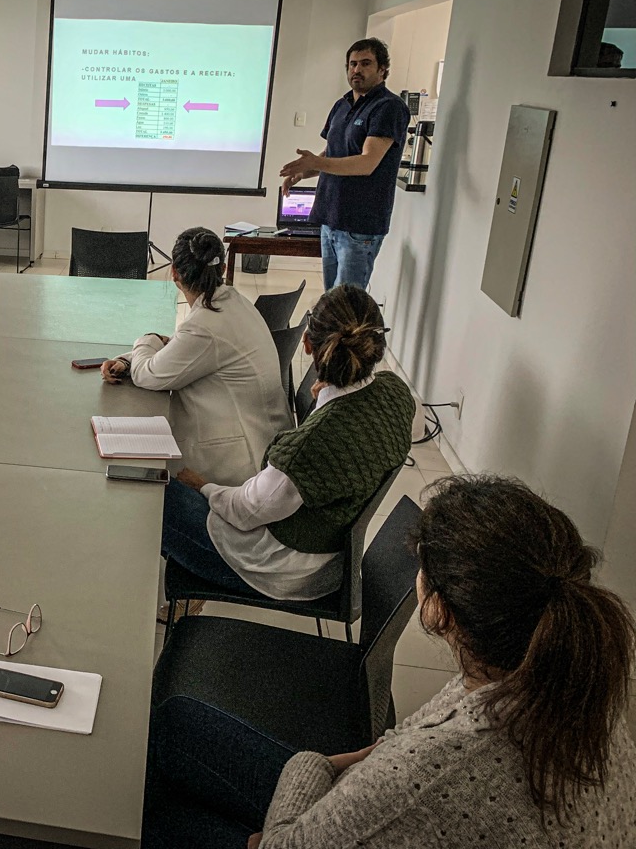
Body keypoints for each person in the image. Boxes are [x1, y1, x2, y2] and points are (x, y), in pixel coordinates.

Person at [143, 474, 636, 847]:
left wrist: (314, 765)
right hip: (374, 796)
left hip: (350, 802)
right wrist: (368, 764)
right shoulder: (579, 682)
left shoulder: (431, 774)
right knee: (174, 722)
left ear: (438, 608)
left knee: (146, 810)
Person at [162, 284, 413, 602]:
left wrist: (203, 487)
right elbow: (346, 442)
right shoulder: (396, 392)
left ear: (307, 344)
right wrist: (327, 399)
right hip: (330, 557)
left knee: (156, 493)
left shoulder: (309, 448)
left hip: (283, 574)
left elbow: (244, 511)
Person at [100, 227, 291, 487]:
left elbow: (149, 374)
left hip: (238, 470)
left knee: (130, 488)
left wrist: (147, 339)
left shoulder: (205, 326)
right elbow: (181, 350)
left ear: (175, 273)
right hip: (265, 449)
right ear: (222, 269)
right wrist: (129, 360)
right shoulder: (234, 302)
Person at [280, 38, 411, 292]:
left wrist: (316, 161)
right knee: (332, 300)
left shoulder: (389, 108)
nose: (356, 70)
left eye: (365, 64)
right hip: (331, 218)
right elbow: (333, 152)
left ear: (383, 70)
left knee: (346, 308)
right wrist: (304, 171)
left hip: (359, 225)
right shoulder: (342, 105)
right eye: (352, 64)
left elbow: (367, 163)